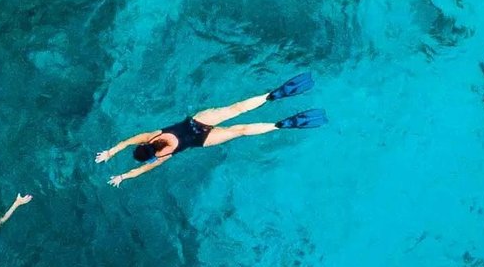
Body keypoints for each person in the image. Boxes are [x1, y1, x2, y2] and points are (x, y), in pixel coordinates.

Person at [96, 73, 325, 186]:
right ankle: (271, 96)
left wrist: (123, 177)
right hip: (197, 122)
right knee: (236, 108)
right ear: (144, 145)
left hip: (201, 140)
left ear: (150, 155)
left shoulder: (161, 157)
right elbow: (126, 141)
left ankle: (280, 125)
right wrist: (110, 152)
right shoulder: (151, 136)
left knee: (241, 130)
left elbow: (142, 171)